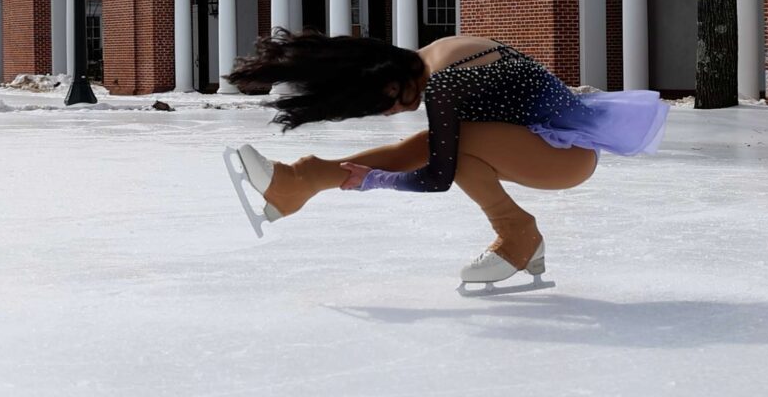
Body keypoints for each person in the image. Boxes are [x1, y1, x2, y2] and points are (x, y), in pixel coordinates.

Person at [227, 30, 669, 286]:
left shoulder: (445, 84)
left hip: (565, 156)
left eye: (385, 105)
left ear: (390, 81)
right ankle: (299, 181)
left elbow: (438, 176)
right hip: (542, 144)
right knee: (427, 142)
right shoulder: (440, 55)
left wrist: (372, 181)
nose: (389, 112)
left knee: (450, 146)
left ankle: (518, 233)